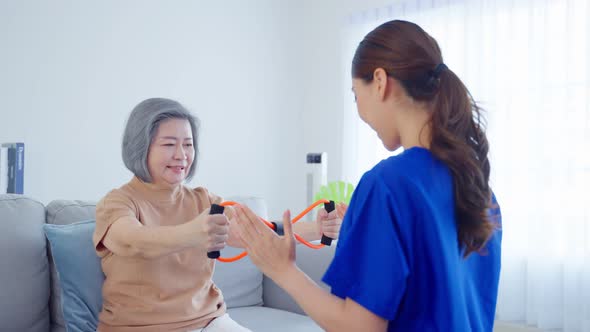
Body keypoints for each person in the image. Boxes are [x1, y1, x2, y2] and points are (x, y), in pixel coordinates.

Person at [234, 20, 502, 332]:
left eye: (355, 94)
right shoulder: (479, 189)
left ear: (379, 81)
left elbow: (359, 327)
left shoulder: (387, 184)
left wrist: (282, 271)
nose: (360, 112)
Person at [92, 98, 343, 332]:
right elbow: (131, 240)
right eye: (169, 144)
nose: (182, 155)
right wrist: (192, 233)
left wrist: (316, 229)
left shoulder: (203, 200)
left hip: (209, 322)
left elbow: (256, 230)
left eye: (188, 144)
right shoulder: (118, 202)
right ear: (140, 147)